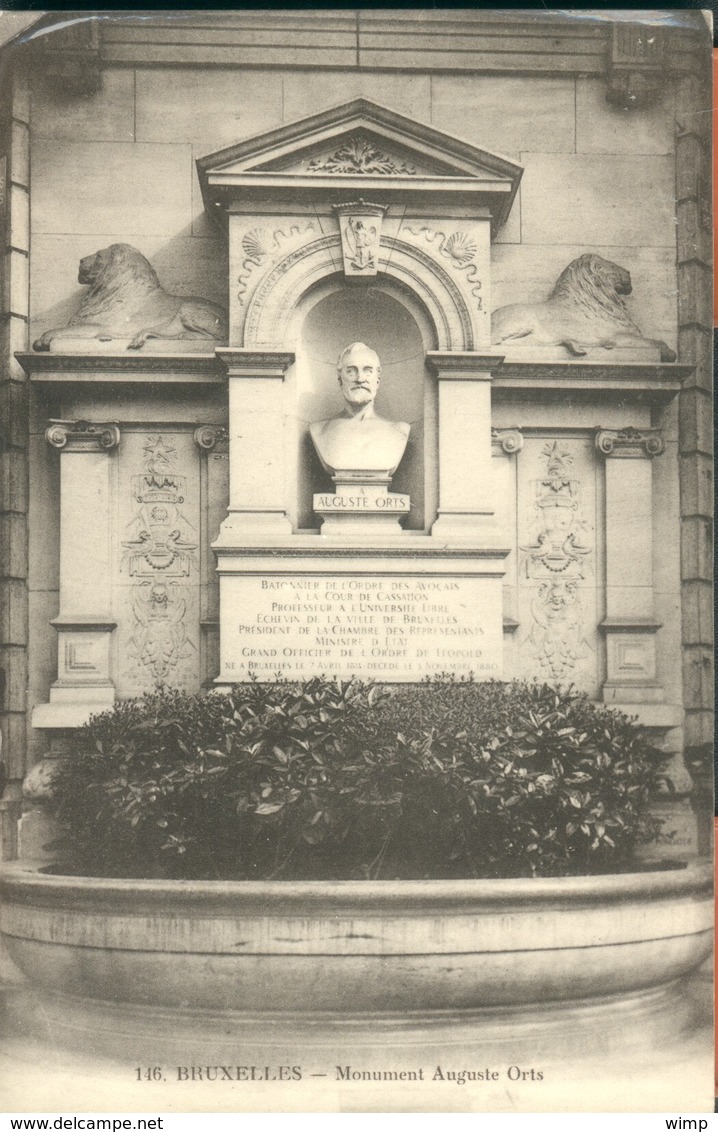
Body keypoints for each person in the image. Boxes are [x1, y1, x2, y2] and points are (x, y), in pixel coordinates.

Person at [309, 342, 410, 476]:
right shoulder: (319, 430)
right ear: (340, 380)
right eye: (351, 371)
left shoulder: (400, 430)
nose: (360, 379)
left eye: (367, 371)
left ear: (377, 379)